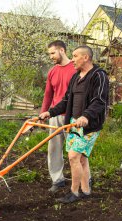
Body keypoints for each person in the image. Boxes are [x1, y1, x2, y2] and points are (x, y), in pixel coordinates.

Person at [39, 45, 109, 203]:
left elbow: (99, 101)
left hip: (88, 125)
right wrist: (50, 112)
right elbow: (65, 101)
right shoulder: (76, 77)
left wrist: (86, 116)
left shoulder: (99, 76)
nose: (72, 59)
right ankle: (85, 190)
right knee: (82, 158)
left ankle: (74, 192)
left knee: (73, 157)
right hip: (73, 123)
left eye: (76, 56)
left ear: (86, 57)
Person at [40, 40, 76, 193]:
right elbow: (48, 94)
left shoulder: (75, 68)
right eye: (49, 54)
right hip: (55, 115)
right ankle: (57, 179)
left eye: (52, 53)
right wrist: (43, 113)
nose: (51, 57)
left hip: (72, 116)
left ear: (62, 50)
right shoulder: (53, 71)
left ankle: (82, 179)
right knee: (53, 149)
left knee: (76, 151)